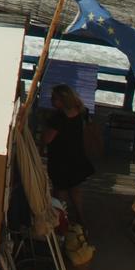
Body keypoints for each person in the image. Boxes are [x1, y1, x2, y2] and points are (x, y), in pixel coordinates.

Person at [42, 84, 96, 225]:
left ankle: (60, 221)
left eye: (54, 99)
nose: (51, 101)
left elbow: (48, 139)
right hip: (76, 155)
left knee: (60, 190)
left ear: (62, 101)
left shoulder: (58, 119)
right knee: (75, 189)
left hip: (60, 158)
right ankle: (80, 217)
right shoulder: (81, 111)